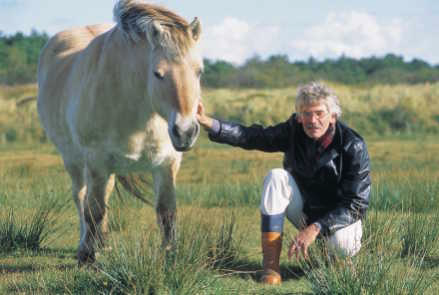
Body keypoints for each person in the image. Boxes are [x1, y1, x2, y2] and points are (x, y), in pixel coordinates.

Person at [196, 81, 371, 285]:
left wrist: (315, 228)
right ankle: (271, 268)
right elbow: (254, 137)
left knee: (341, 245)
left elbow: (356, 204)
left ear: (333, 116)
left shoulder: (353, 145)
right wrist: (209, 123)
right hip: (305, 211)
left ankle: (335, 259)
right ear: (298, 116)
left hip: (340, 221)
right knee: (276, 177)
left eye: (319, 113)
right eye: (306, 113)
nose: (312, 120)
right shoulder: (293, 130)